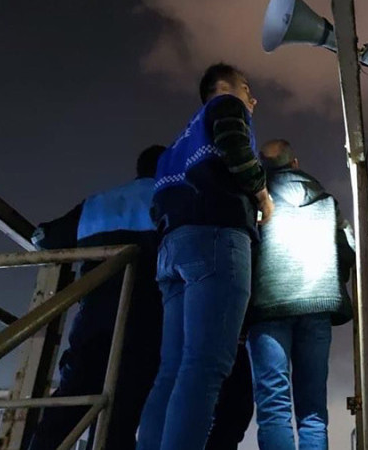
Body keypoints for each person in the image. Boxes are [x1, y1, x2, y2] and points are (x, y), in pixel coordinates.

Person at [136, 63, 274, 450]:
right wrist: (262, 195)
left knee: (172, 370)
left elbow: (155, 206)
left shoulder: (174, 149)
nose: (252, 99)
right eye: (249, 89)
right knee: (205, 366)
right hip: (216, 238)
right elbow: (236, 147)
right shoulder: (227, 106)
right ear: (229, 87)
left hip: (173, 250)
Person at [27, 145, 166, 450]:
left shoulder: (99, 202)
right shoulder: (171, 200)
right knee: (122, 415)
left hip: (94, 319)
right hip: (146, 320)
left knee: (71, 400)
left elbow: (47, 238)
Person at [247, 139, 355, 450]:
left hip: (267, 308)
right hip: (317, 305)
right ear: (295, 163)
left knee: (273, 405)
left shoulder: (254, 201)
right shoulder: (325, 201)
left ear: (261, 169)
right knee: (313, 410)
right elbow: (347, 250)